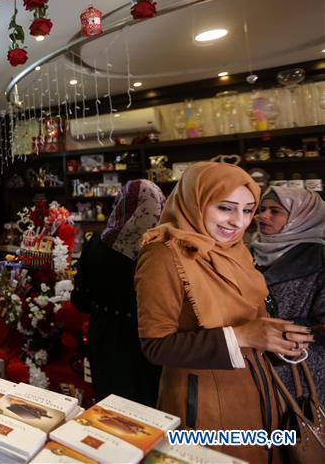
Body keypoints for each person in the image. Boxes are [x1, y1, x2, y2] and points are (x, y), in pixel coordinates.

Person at [135, 162, 314, 463]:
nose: (239, 222)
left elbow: (252, 322)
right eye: (225, 208)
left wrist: (277, 341)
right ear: (197, 200)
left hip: (259, 396)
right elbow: (155, 345)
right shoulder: (163, 254)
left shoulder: (235, 250)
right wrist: (243, 335)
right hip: (204, 402)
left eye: (247, 210)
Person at [71, 179, 166, 406]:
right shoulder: (160, 250)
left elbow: (80, 301)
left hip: (103, 341)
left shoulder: (95, 243)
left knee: (108, 410)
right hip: (145, 348)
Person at [253, 186, 325, 397]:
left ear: (302, 216)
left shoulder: (319, 259)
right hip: (252, 361)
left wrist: (281, 330)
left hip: (301, 369)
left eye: (275, 211)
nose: (263, 216)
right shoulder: (247, 251)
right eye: (262, 209)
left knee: (295, 425)